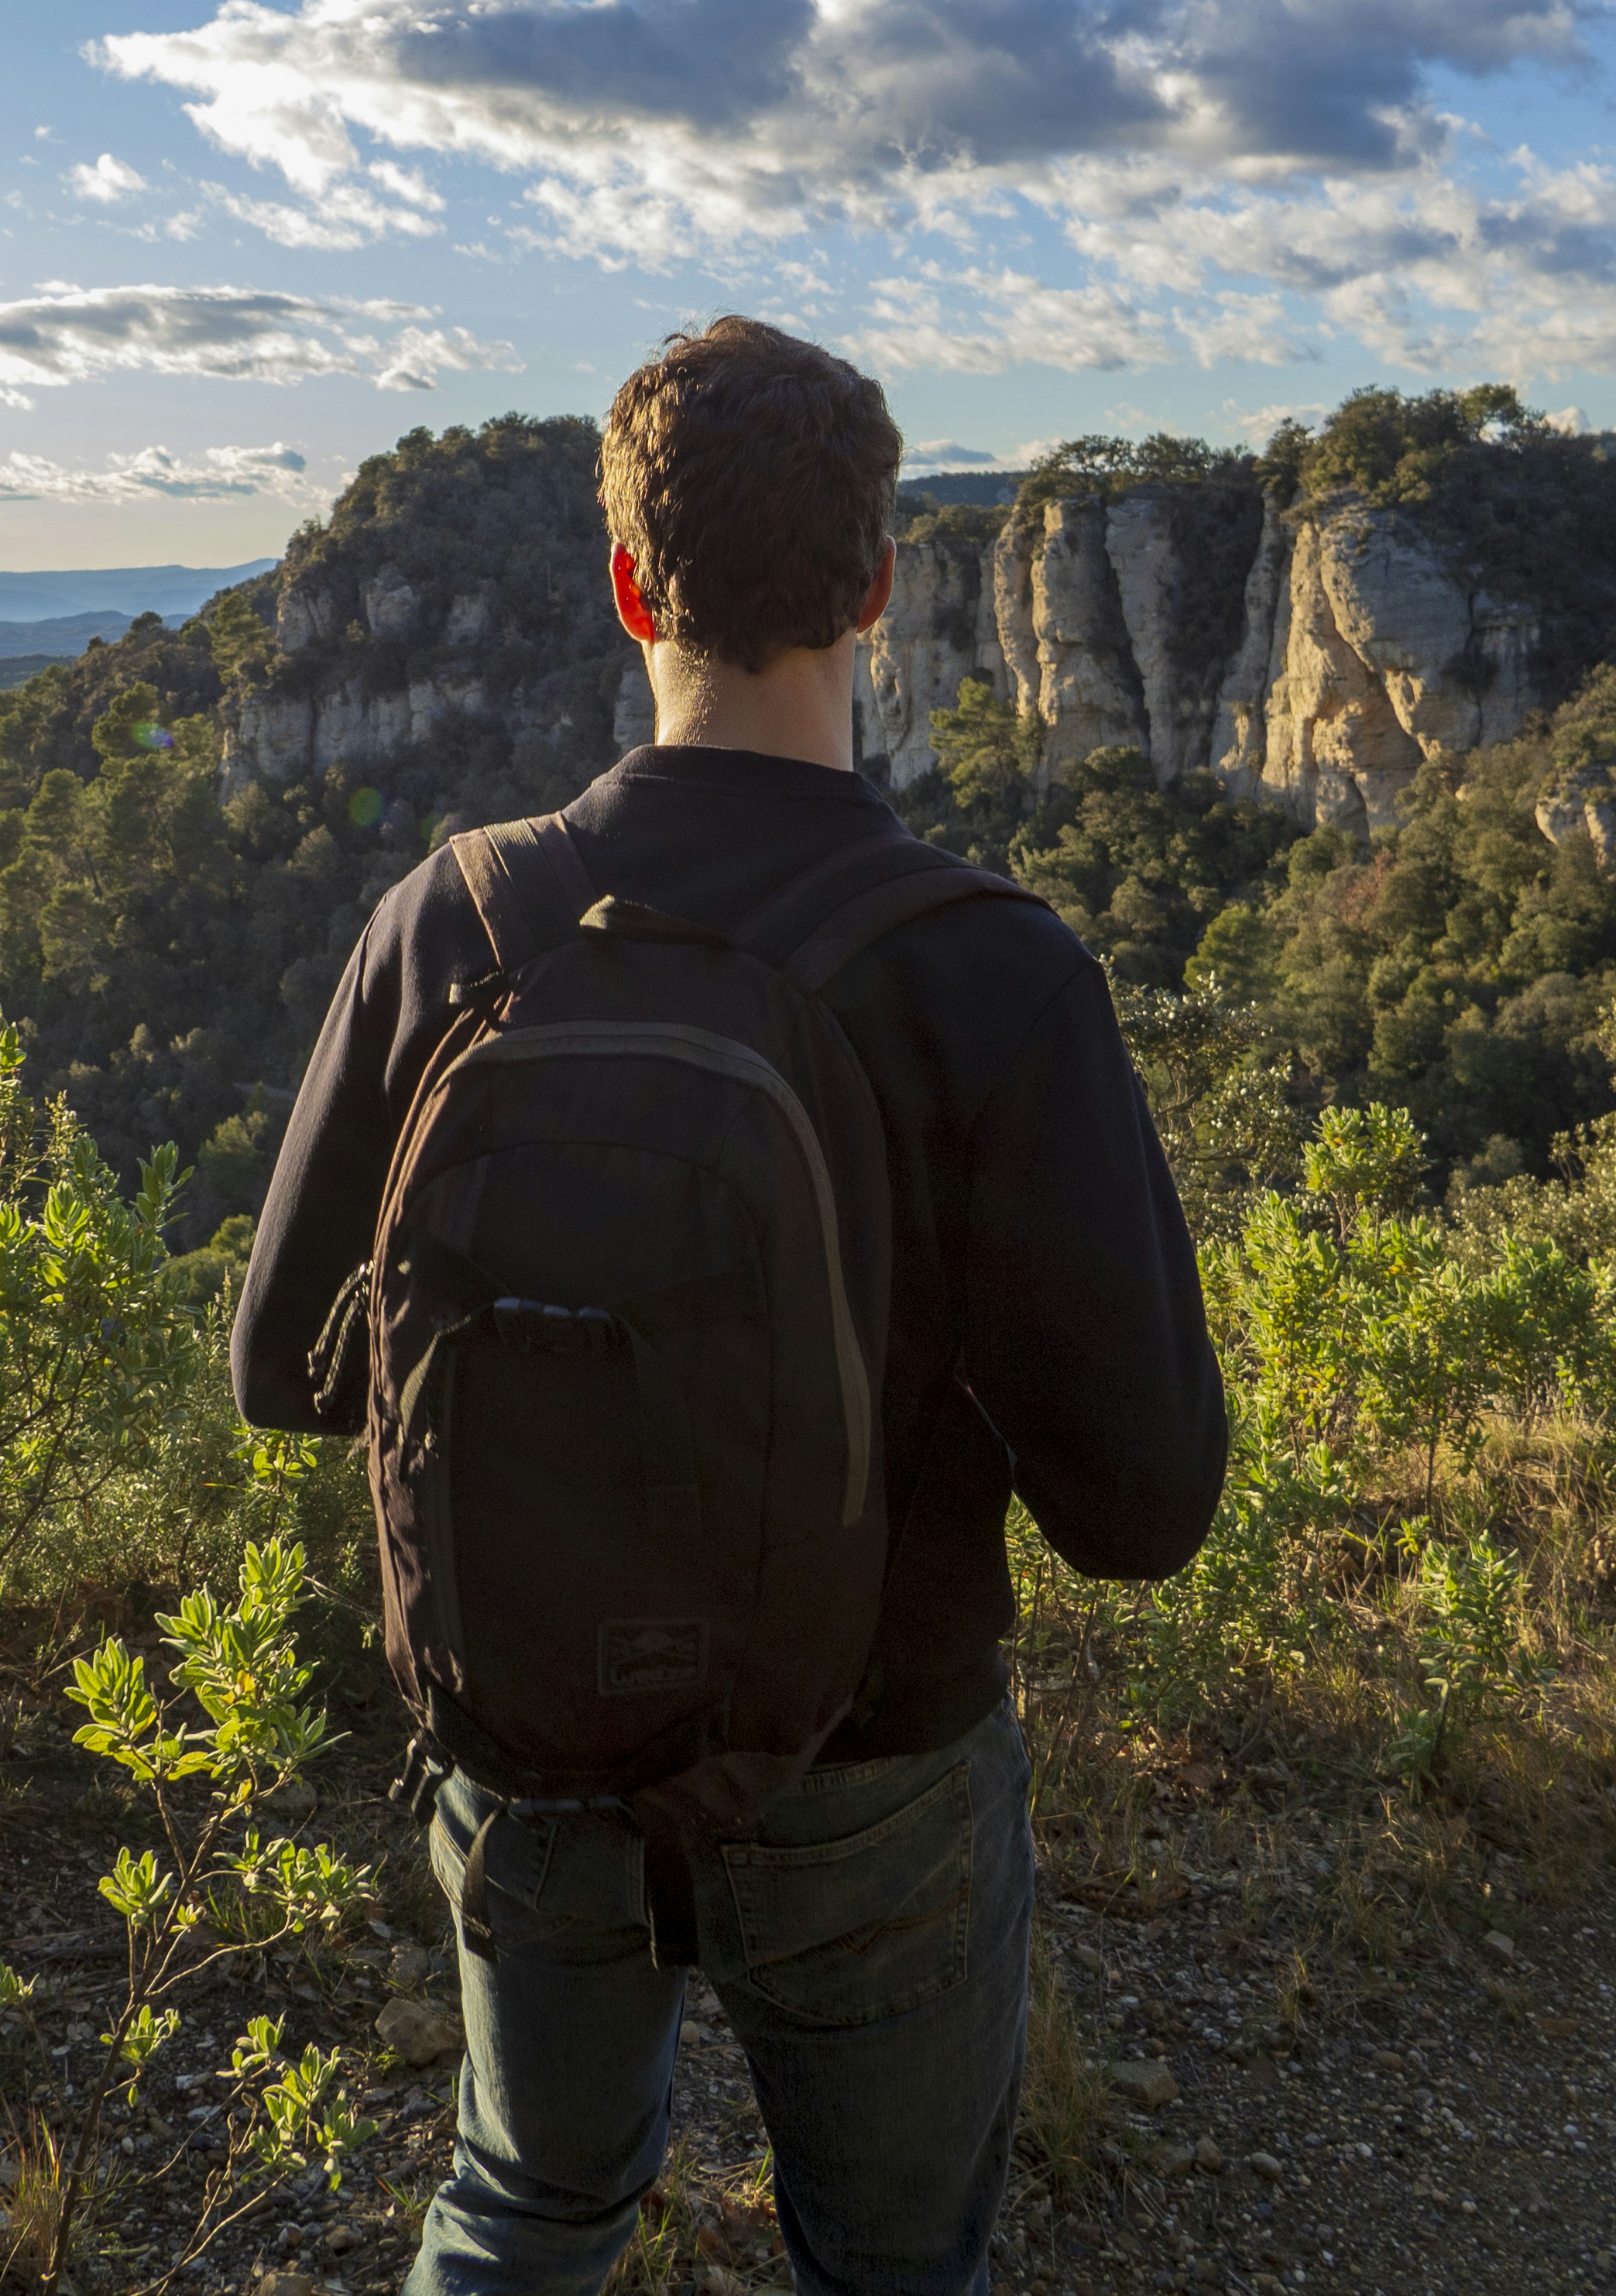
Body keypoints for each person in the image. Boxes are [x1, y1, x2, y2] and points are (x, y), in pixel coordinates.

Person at [232, 316, 1229, 2296]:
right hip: (880, 1768)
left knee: (522, 2205)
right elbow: (1147, 1514)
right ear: (880, 589)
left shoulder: (451, 921)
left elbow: (282, 1372)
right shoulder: (996, 975)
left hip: (529, 1746)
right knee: (892, 2263)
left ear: (628, 587)